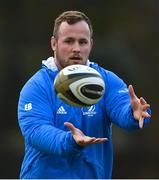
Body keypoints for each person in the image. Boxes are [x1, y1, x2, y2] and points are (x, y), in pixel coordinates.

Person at [18, 11, 151, 179]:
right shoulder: (37, 86)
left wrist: (133, 114)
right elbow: (36, 131)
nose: (76, 48)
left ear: (91, 44)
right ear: (54, 43)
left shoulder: (106, 80)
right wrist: (70, 141)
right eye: (69, 41)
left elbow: (122, 106)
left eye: (82, 42)